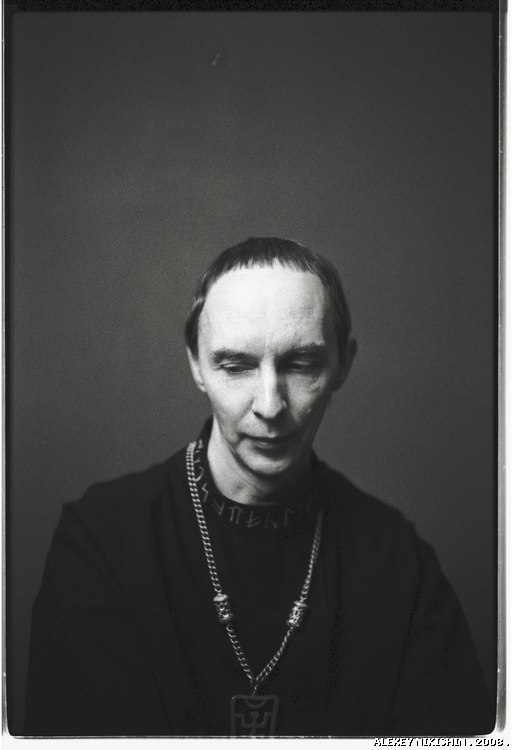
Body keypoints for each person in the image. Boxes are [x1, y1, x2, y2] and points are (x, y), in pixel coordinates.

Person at [25, 237, 494, 737]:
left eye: (301, 364)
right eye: (236, 366)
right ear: (196, 365)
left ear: (343, 364)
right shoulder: (100, 541)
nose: (270, 405)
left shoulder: (398, 560)